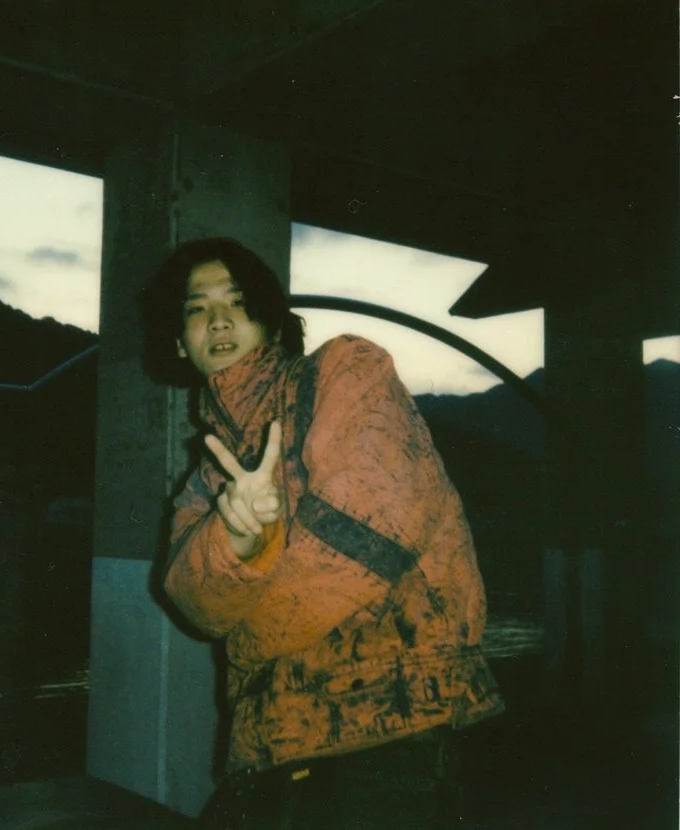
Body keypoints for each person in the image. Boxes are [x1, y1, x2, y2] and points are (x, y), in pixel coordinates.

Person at [143, 238, 504, 829]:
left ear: (272, 319)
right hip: (269, 741)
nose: (219, 319)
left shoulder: (345, 372)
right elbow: (192, 601)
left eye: (237, 300)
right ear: (180, 342)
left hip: (393, 723)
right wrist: (238, 538)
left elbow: (368, 537)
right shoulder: (209, 475)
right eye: (196, 308)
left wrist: (247, 645)